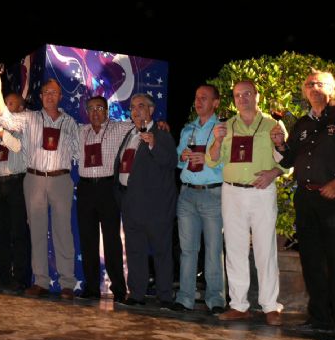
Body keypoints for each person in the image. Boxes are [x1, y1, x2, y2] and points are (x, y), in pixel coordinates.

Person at [271, 70, 335, 340]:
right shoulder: (301, 124)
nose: (314, 87)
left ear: (331, 88)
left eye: (319, 84)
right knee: (311, 261)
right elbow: (288, 160)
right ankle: (320, 320)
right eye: (309, 84)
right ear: (305, 91)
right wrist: (279, 144)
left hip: (332, 198)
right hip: (305, 199)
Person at [0, 76, 79, 300]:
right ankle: (41, 281)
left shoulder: (70, 123)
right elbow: (5, 118)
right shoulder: (29, 118)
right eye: (46, 92)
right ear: (40, 97)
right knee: (37, 232)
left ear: (60, 96)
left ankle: (67, 283)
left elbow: (79, 152)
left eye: (54, 93)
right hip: (35, 179)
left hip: (61, 179)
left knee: (63, 233)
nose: (50, 96)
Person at [206, 80, 286, 326]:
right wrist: (218, 141)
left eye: (247, 93)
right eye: (238, 95)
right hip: (232, 193)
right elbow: (211, 161)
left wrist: (274, 172)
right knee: (235, 249)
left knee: (266, 250)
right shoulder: (225, 126)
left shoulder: (274, 125)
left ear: (257, 96)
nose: (242, 98)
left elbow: (287, 160)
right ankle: (239, 305)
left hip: (262, 192)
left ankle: (271, 307)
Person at [114, 93, 177, 308]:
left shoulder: (162, 133)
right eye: (132, 107)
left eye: (141, 106)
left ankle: (165, 296)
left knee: (161, 252)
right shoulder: (130, 134)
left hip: (156, 207)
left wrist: (153, 144)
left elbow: (170, 162)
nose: (136, 110)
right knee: (135, 251)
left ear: (151, 110)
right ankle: (137, 294)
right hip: (130, 203)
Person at [173, 84, 226, 314]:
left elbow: (227, 161)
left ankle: (215, 300)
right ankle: (185, 297)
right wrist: (183, 156)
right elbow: (178, 160)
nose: (198, 101)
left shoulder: (223, 129)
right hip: (186, 193)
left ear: (215, 103)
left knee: (213, 249)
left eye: (204, 98)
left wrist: (206, 157)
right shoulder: (188, 129)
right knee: (187, 249)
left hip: (212, 192)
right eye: (196, 97)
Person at [76, 95, 130, 303]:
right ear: (86, 112)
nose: (95, 112)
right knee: (88, 239)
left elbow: (141, 125)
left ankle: (118, 288)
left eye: (99, 108)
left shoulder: (119, 128)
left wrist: (158, 125)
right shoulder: (81, 132)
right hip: (86, 187)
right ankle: (91, 287)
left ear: (107, 111)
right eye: (91, 109)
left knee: (112, 240)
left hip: (108, 187)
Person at [0, 93, 31, 293]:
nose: (4, 107)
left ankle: (20, 278)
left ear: (20, 108)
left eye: (10, 104)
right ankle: (2, 276)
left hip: (16, 181)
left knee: (18, 231)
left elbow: (17, 146)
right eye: (3, 104)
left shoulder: (25, 124)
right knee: (1, 233)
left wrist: (0, 129)